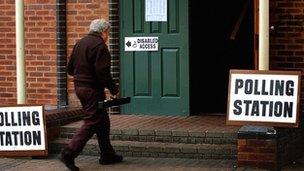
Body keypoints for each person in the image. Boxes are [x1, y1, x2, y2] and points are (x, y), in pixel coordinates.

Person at [59, 19, 122, 171]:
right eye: (108, 32)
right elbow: (103, 73)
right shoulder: (100, 46)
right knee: (92, 121)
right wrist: (114, 90)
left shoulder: (80, 43)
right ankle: (69, 153)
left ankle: (107, 154)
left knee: (102, 120)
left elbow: (70, 69)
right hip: (92, 90)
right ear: (104, 32)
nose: (108, 35)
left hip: (80, 88)